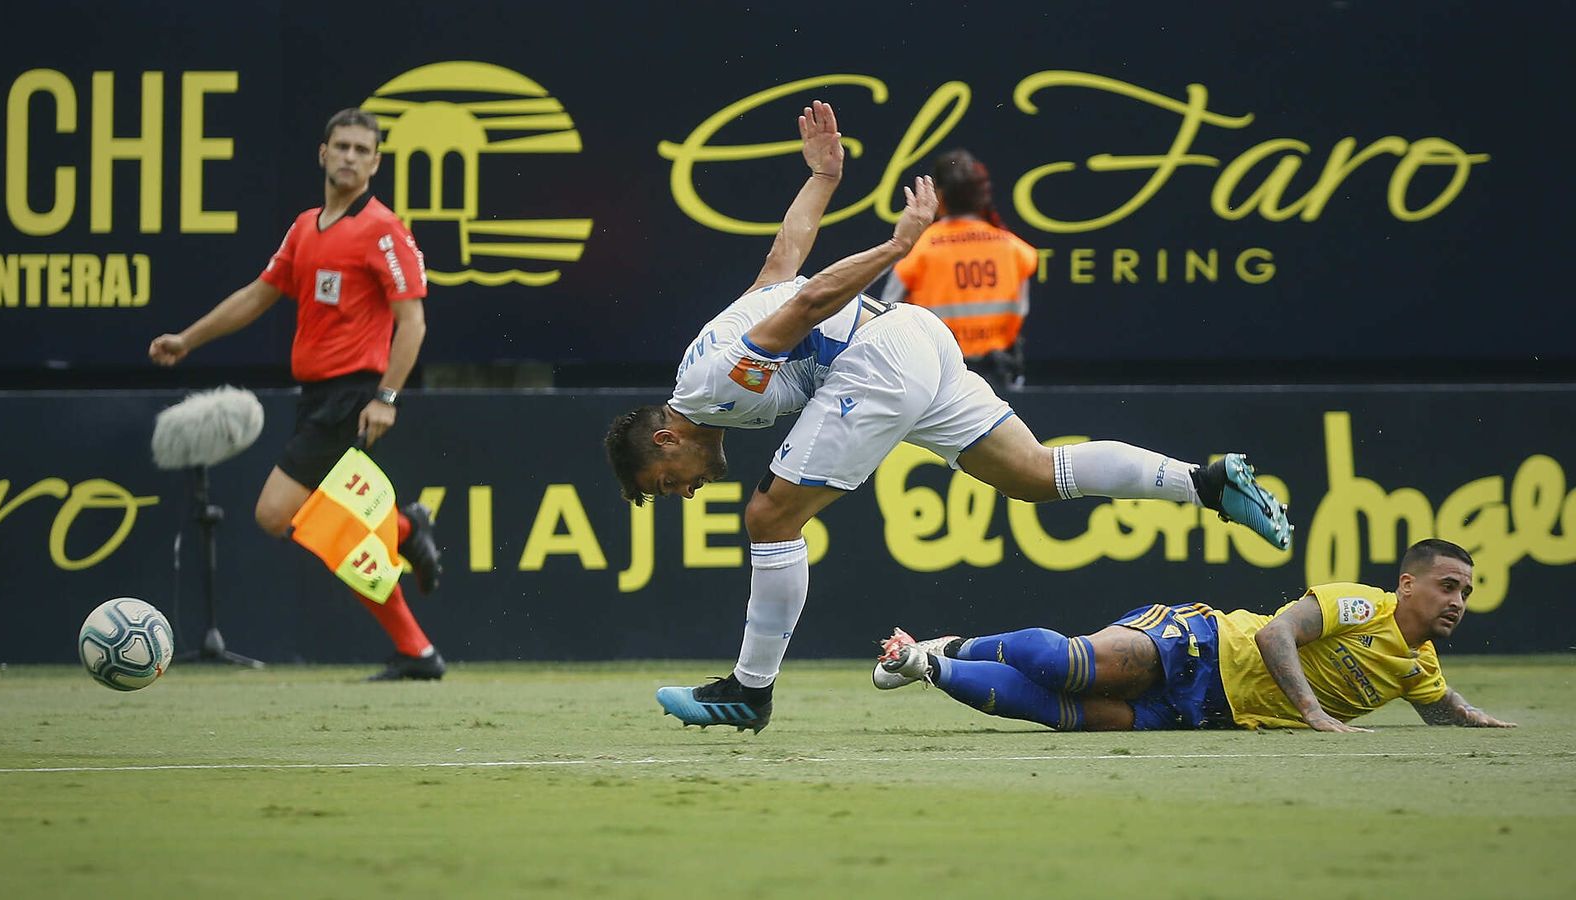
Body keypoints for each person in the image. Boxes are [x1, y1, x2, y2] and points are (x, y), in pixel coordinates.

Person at [604, 101, 1291, 734]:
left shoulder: (713, 382)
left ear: (666, 439)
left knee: (769, 518)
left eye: (668, 482)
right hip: (916, 338)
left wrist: (897, 249)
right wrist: (822, 179)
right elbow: (779, 261)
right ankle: (1206, 483)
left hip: (879, 357)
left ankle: (750, 691)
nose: (686, 492)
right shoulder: (707, 359)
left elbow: (807, 300)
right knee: (1032, 473)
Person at [149, 108, 446, 682]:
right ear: (323, 153)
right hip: (316, 397)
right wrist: (188, 339)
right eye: (343, 146)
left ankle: (408, 543)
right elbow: (258, 295)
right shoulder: (306, 226)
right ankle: (415, 622)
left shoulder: (384, 229)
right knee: (339, 531)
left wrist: (386, 396)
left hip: (353, 396)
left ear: (376, 162)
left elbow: (413, 324)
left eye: (363, 150)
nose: (351, 157)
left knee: (274, 514)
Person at [875, 538, 1515, 731]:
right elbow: (1277, 637)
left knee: (1063, 714)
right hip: (1204, 644)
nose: (1457, 600)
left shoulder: (1417, 667)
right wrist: (1314, 712)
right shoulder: (1361, 607)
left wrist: (1474, 718)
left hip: (1204, 711)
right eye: (1448, 586)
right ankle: (952, 644)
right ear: (1407, 585)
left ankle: (922, 666)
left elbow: (1443, 708)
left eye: (1465, 592)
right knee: (1067, 664)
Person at [881, 149, 1035, 391]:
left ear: (939, 195)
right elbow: (1021, 309)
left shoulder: (918, 247)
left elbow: (887, 312)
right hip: (998, 376)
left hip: (934, 376)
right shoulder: (1015, 249)